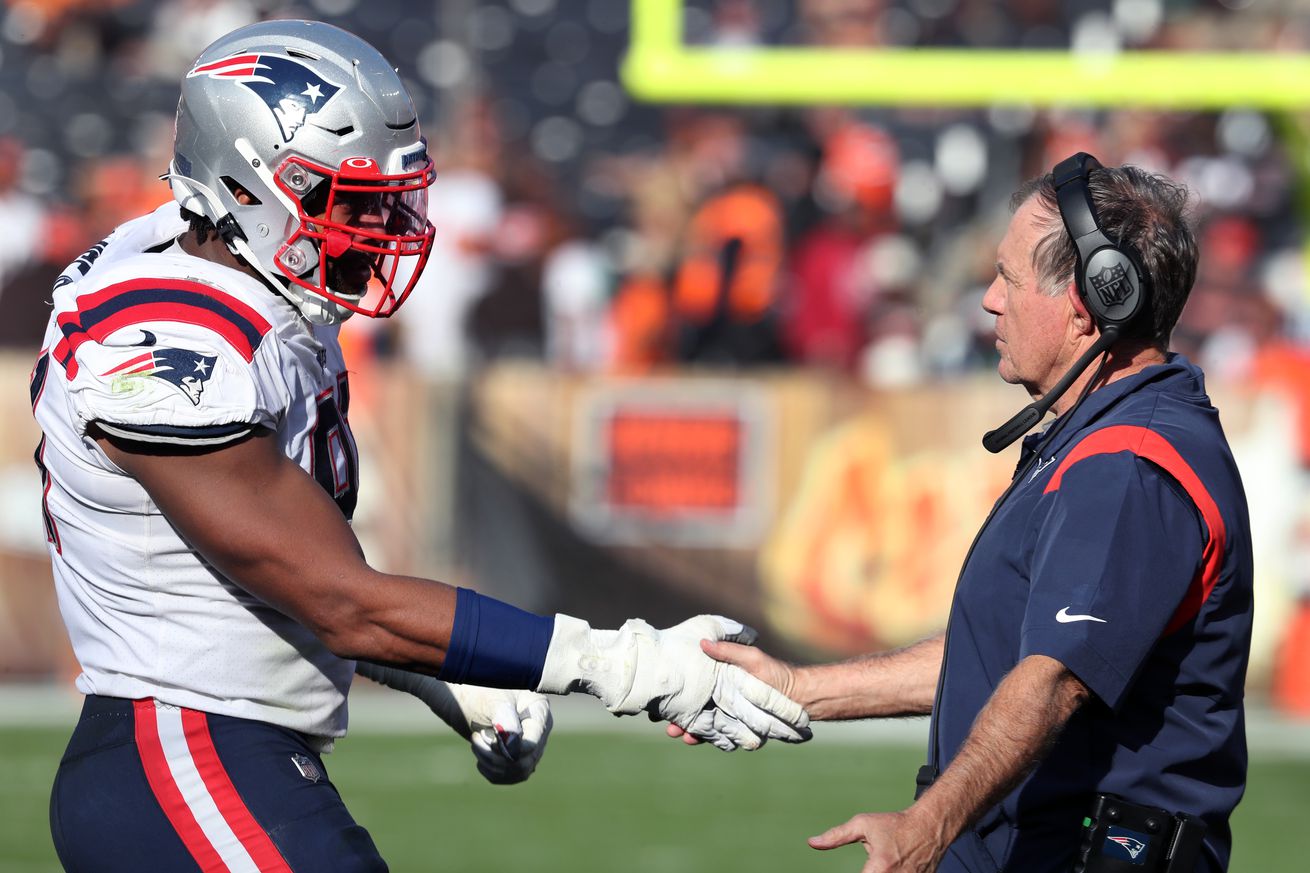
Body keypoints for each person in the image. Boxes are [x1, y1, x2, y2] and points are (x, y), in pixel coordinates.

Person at [32, 20, 810, 873]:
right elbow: (339, 598)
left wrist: (442, 673)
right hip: (180, 754)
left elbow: (303, 570)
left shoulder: (254, 277)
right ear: (247, 187)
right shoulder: (164, 339)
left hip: (229, 752)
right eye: (346, 197)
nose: (378, 222)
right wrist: (626, 663)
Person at [681, 155, 1253, 873]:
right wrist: (801, 690)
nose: (988, 299)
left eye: (1008, 277)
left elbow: (1050, 679)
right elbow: (1002, 653)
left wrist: (929, 824)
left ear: (1092, 300)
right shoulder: (1103, 439)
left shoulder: (1128, 465)